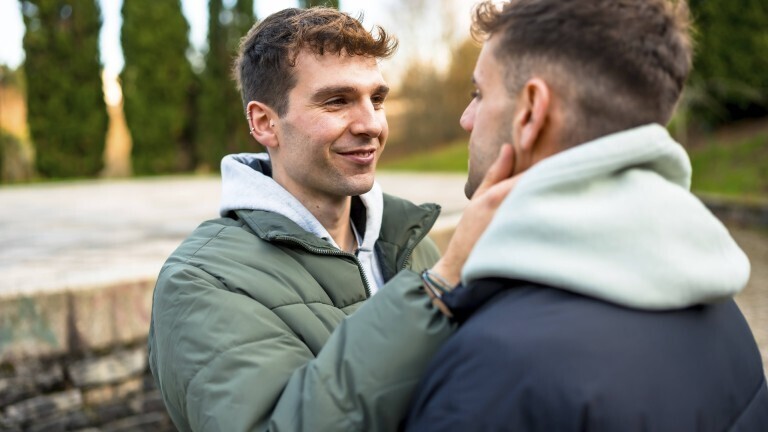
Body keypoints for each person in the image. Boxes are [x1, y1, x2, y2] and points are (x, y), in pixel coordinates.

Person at [148, 7, 516, 432]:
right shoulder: (201, 281)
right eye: (337, 101)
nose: (371, 124)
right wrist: (436, 291)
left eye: (376, 99)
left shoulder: (412, 242)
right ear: (264, 123)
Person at [405, 0, 768, 430]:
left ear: (531, 112)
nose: (466, 120)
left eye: (479, 94)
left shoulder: (498, 368)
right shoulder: (721, 306)